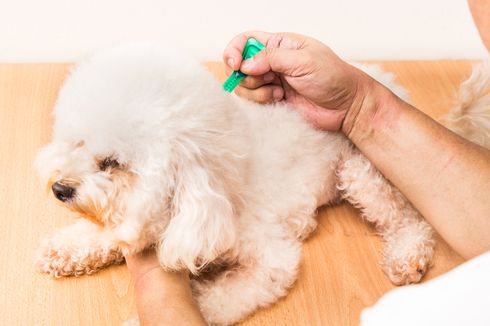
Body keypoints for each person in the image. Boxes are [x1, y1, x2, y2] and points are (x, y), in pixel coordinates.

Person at [126, 1, 490, 324]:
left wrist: (153, 284)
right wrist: (359, 104)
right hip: (319, 128)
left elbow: (274, 268)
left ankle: (407, 229)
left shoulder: (427, 311)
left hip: (333, 157)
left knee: (355, 167)